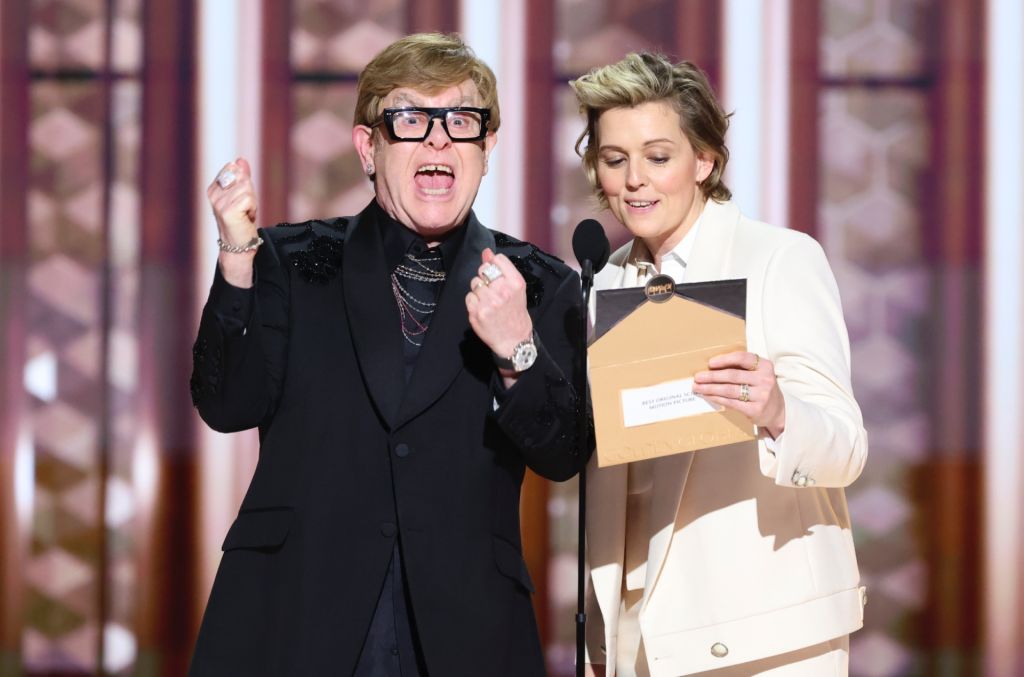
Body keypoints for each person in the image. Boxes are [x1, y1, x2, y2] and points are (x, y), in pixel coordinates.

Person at [189, 33, 587, 676]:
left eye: (461, 121)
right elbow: (227, 405)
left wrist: (518, 349)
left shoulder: (538, 281)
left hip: (463, 625)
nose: (438, 139)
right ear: (368, 148)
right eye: (411, 120)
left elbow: (564, 455)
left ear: (486, 148)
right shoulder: (291, 260)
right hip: (295, 609)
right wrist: (236, 257)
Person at [571, 53, 868, 676]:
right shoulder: (603, 284)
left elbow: (845, 451)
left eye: (658, 157)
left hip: (764, 639)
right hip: (634, 638)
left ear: (704, 160)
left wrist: (779, 412)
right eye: (614, 159)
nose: (634, 182)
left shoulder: (777, 259)